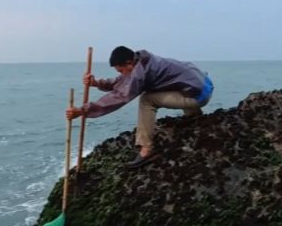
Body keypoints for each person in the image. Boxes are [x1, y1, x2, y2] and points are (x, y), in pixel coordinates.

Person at [66, 46, 214, 168]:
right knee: (163, 87)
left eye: (120, 70)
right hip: (201, 85)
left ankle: (146, 149)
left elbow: (119, 96)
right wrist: (97, 83)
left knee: (147, 99)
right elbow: (122, 80)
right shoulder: (143, 61)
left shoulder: (139, 74)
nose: (120, 74)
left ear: (129, 63)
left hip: (197, 96)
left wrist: (83, 110)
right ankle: (193, 115)